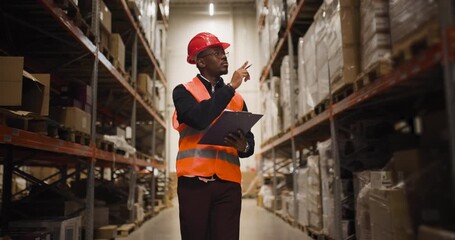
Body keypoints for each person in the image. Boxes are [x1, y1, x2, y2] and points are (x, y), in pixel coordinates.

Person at [172, 32, 255, 240]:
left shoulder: (237, 99)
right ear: (200, 62)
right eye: (216, 53)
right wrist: (230, 87)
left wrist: (243, 145)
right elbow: (200, 118)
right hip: (194, 185)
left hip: (228, 186)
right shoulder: (183, 92)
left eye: (224, 52)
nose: (223, 56)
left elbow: (249, 145)